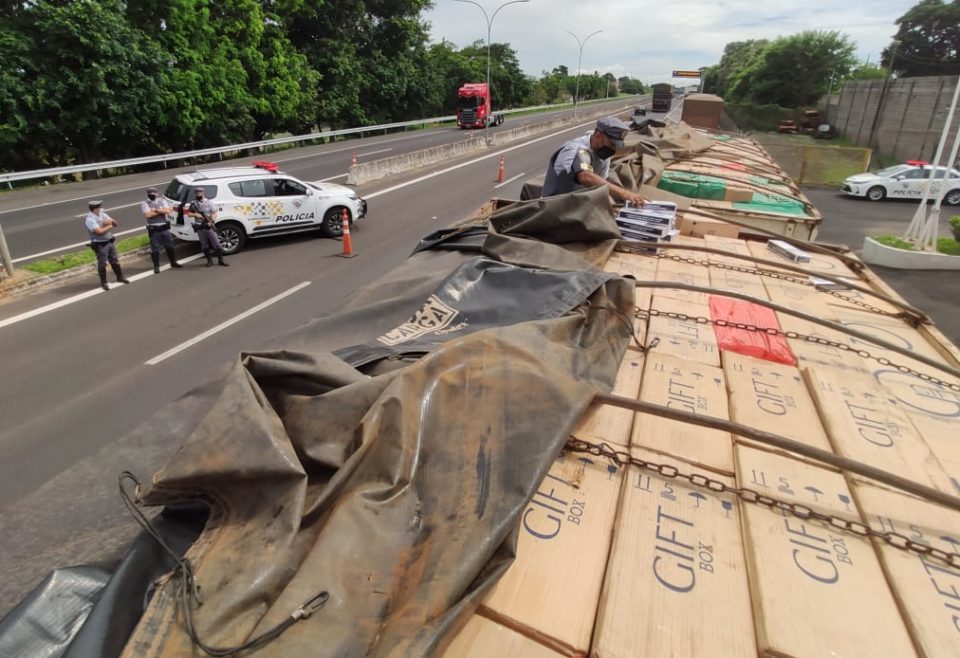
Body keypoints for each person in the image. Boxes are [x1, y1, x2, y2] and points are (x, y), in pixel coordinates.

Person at [542, 116, 647, 205]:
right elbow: (585, 177)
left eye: (615, 146)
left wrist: (611, 206)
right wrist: (625, 193)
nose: (613, 149)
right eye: (611, 144)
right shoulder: (575, 149)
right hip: (554, 207)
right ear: (598, 136)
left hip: (577, 206)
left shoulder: (602, 156)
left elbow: (601, 187)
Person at [85, 200, 131, 291]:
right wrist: (109, 225)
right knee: (102, 264)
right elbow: (99, 231)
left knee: (115, 261)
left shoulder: (103, 215)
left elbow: (115, 223)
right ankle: (104, 282)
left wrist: (108, 223)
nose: (101, 208)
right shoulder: (90, 219)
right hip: (100, 244)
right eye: (99, 207)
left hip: (109, 241)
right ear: (94, 209)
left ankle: (120, 277)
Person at [141, 187, 182, 273]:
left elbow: (168, 211)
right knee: (155, 248)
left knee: (169, 246)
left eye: (153, 193)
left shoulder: (162, 201)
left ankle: (173, 262)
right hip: (154, 229)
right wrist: (161, 211)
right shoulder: (145, 203)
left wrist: (156, 210)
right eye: (150, 193)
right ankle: (156, 266)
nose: (152, 195)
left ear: (156, 193)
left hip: (164, 228)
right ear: (148, 194)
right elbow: (148, 215)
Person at [186, 187, 229, 267]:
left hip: (208, 226)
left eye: (199, 193)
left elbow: (214, 213)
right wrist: (196, 214)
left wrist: (212, 220)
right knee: (204, 245)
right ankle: (209, 261)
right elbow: (189, 214)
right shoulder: (194, 203)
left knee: (216, 243)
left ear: (203, 193)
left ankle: (221, 260)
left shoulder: (209, 202)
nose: (198, 194)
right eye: (196, 193)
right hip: (200, 227)